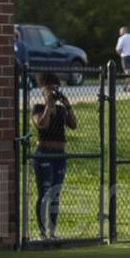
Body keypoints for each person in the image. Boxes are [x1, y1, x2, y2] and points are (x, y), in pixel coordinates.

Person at [31, 73, 77, 239]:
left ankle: (52, 230)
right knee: (45, 192)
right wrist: (48, 106)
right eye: (49, 89)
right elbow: (42, 124)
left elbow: (73, 125)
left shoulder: (62, 110)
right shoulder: (37, 108)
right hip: (44, 154)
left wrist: (68, 105)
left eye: (55, 89)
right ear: (43, 91)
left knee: (56, 193)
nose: (53, 92)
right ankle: (42, 232)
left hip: (60, 155)